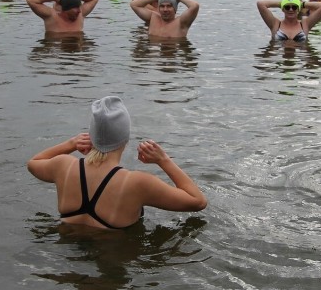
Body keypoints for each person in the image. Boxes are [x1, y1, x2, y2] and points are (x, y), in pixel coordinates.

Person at [27, 96, 207, 230]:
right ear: (125, 137)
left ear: (91, 134)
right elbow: (197, 201)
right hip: (111, 264)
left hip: (68, 255)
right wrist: (164, 160)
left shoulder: (63, 166)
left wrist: (70, 144)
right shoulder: (137, 183)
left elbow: (33, 163)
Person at [257, 0, 321, 42]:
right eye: (287, 7)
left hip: (299, 59)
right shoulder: (275, 24)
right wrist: (282, 3)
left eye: (294, 7)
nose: (291, 9)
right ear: (283, 9)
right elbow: (260, 4)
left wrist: (302, 4)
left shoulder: (305, 24)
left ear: (298, 9)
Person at [26, 0, 99, 35]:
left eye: (79, 7)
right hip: (58, 51)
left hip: (77, 53)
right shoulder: (51, 16)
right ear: (66, 9)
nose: (79, 11)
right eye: (76, 8)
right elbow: (30, 0)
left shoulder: (81, 14)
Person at [130, 0, 199, 39]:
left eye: (169, 6)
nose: (165, 9)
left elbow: (195, 6)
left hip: (171, 56)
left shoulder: (181, 23)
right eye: (162, 6)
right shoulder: (153, 18)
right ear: (159, 8)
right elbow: (133, 4)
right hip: (154, 56)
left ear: (175, 9)